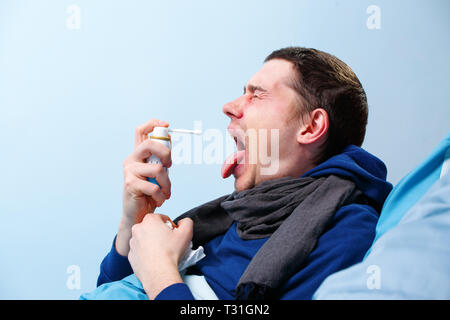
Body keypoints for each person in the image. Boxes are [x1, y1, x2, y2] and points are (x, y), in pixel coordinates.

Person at [94, 47, 393, 300]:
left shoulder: (348, 231)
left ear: (311, 127)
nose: (229, 107)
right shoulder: (233, 218)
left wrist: (161, 273)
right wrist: (130, 224)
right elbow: (111, 291)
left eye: (257, 95)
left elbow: (155, 283)